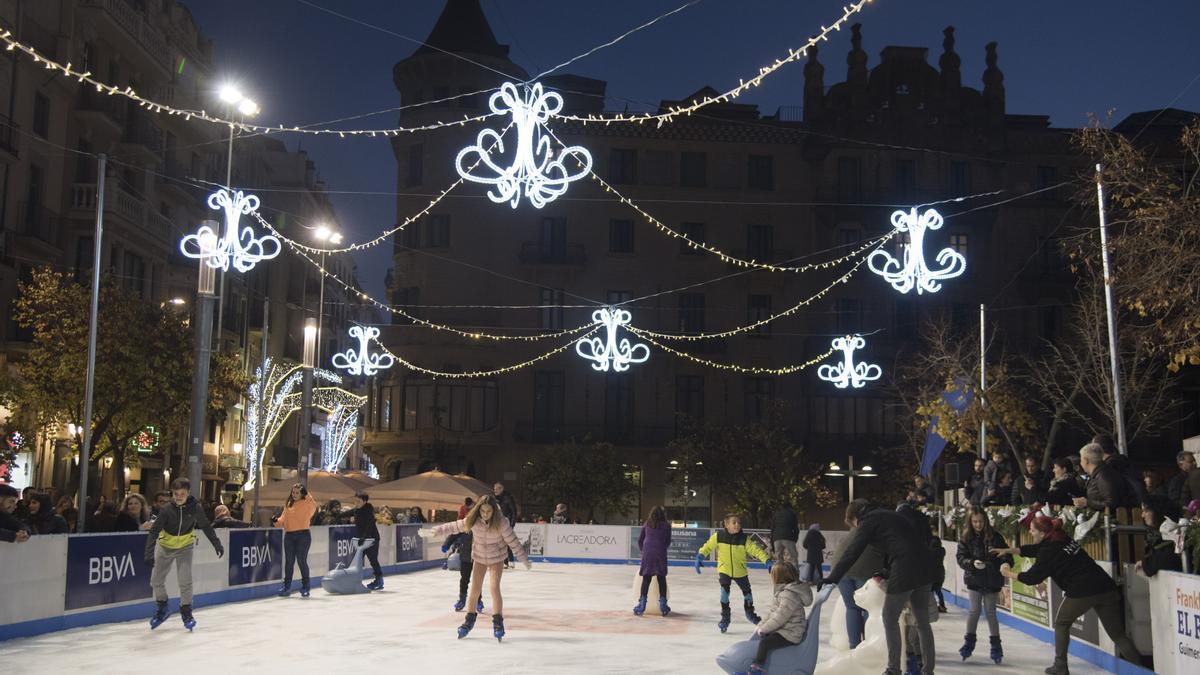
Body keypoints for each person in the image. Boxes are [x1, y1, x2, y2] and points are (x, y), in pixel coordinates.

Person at [995, 513, 1142, 674]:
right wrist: (1008, 550)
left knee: (1061, 623)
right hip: (1105, 586)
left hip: (1082, 590)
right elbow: (1035, 549)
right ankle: (1141, 670)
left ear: (1042, 533)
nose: (1030, 533)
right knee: (1118, 635)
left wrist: (1009, 575)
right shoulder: (1060, 537)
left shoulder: (1049, 551)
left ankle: (1060, 666)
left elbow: (1032, 578)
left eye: (1032, 530)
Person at [823, 499, 936, 675]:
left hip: (906, 568)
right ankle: (928, 671)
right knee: (922, 622)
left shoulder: (868, 521)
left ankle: (893, 669)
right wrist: (886, 570)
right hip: (927, 565)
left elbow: (853, 551)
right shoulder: (891, 515)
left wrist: (833, 577)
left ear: (855, 517)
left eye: (853, 524)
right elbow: (899, 544)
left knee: (889, 617)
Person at [422, 493, 530, 640]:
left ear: (494, 510)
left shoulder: (502, 522)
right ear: (478, 510)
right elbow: (454, 526)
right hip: (479, 557)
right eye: (482, 511)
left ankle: (498, 622)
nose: (485, 514)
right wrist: (436, 531)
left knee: (494, 587)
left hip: (496, 558)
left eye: (489, 511)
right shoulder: (473, 520)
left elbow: (513, 541)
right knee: (474, 589)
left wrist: (523, 559)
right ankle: (469, 620)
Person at [144, 478, 223, 631]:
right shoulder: (167, 510)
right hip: (165, 547)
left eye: (182, 494)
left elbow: (206, 526)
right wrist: (149, 554)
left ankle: (186, 612)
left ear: (188, 493)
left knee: (185, 581)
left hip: (185, 548)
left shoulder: (195, 508)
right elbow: (154, 531)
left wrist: (216, 544)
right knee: (156, 581)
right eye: (175, 494)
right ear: (172, 494)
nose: (178, 497)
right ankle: (163, 607)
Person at [697, 513, 772, 633]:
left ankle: (750, 613)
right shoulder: (719, 536)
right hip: (724, 570)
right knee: (724, 593)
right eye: (734, 522)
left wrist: (767, 561)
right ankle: (725, 617)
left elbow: (756, 551)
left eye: (739, 522)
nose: (737, 525)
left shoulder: (744, 539)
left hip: (740, 571)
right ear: (726, 525)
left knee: (747, 594)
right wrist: (700, 556)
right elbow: (707, 547)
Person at [956, 507, 1012, 664]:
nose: (978, 524)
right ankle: (969, 643)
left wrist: (1006, 562)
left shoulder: (995, 537)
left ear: (985, 520)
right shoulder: (966, 537)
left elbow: (1004, 553)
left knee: (991, 612)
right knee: (974, 611)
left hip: (992, 579)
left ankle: (996, 647)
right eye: (975, 522)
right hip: (975, 579)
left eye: (981, 521)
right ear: (970, 522)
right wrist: (972, 563)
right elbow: (960, 557)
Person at [740, 561, 813, 675]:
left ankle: (756, 669)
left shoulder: (789, 595)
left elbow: (780, 617)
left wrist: (765, 629)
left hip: (791, 632)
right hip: (786, 628)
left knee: (765, 643)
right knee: (764, 636)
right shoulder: (783, 591)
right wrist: (761, 625)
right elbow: (772, 612)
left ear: (779, 577)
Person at [829, 528, 885, 648]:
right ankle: (868, 645)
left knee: (852, 608)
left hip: (840, 568)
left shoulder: (855, 530)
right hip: (863, 569)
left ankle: (854, 645)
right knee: (867, 607)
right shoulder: (881, 532)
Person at [273, 484, 317, 598]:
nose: (295, 495)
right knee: (289, 562)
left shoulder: (307, 503)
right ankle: (287, 586)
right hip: (289, 536)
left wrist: (307, 494)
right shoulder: (288, 504)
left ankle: (306, 586)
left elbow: (313, 506)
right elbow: (283, 519)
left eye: (297, 493)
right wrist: (276, 520)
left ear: (302, 493)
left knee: (301, 560)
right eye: (293, 492)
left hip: (303, 535)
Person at [1072, 442, 1138, 511]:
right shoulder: (1100, 473)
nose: (1080, 463)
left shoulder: (1103, 475)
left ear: (1086, 461)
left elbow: (1112, 503)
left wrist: (1087, 503)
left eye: (1081, 460)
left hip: (1112, 519)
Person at [634, 505, 672, 617]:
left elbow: (640, 540)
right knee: (661, 578)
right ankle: (663, 606)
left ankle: (641, 605)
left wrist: (644, 551)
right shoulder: (667, 526)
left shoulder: (647, 524)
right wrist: (661, 548)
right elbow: (668, 542)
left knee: (646, 578)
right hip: (660, 553)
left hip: (648, 552)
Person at [1135, 495, 1182, 578]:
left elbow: (1171, 557)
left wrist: (1146, 563)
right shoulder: (1154, 534)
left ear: (1157, 510)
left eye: (1146, 511)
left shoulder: (1174, 531)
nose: (1142, 515)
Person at [353, 492, 384, 590]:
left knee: (373, 559)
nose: (356, 503)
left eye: (359, 501)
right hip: (362, 539)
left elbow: (370, 525)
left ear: (365, 502)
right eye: (355, 501)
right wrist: (338, 516)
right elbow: (349, 512)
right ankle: (355, 580)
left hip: (371, 539)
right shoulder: (357, 510)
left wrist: (364, 537)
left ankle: (379, 580)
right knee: (357, 560)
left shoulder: (368, 511)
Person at [493, 482, 518, 566]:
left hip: (507, 524)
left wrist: (512, 524)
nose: (495, 491)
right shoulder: (494, 499)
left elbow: (514, 512)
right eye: (494, 489)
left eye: (497, 489)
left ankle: (510, 561)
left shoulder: (508, 498)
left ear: (501, 489)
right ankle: (504, 561)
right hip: (497, 523)